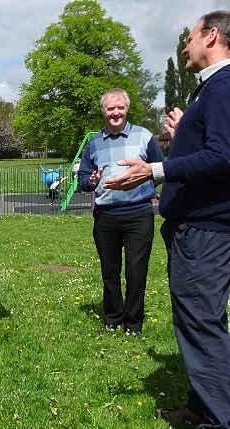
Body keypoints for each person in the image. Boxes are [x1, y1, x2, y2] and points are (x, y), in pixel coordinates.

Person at [104, 11, 230, 427]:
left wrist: (153, 170)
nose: (184, 46)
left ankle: (220, 420)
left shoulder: (222, 87)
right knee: (202, 321)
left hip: (204, 230)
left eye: (190, 37)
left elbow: (224, 157)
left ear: (212, 36)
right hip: (196, 226)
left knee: (201, 323)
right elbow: (211, 149)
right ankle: (201, 409)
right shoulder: (210, 91)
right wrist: (183, 136)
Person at [77, 88, 164, 338]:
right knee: (110, 272)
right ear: (104, 112)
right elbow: (83, 178)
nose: (115, 113)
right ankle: (113, 319)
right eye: (110, 108)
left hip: (138, 214)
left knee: (137, 271)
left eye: (120, 108)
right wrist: (91, 181)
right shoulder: (93, 143)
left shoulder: (144, 137)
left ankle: (134, 324)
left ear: (126, 109)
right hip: (106, 216)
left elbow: (158, 169)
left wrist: (145, 187)